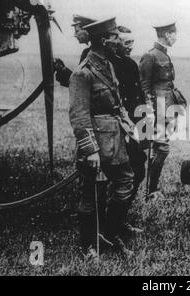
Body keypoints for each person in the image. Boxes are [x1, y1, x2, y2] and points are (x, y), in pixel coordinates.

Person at [68, 18, 137, 258]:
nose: (119, 40)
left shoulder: (109, 65)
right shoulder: (83, 73)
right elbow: (79, 115)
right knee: (90, 194)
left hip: (116, 139)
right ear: (103, 40)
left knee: (126, 182)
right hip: (97, 142)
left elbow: (116, 103)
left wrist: (128, 125)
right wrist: (91, 150)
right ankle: (89, 245)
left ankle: (109, 232)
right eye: (115, 36)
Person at [139, 21, 187, 200]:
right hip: (157, 109)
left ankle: (153, 188)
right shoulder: (150, 56)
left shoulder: (164, 55)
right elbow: (144, 86)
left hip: (166, 108)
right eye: (174, 34)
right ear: (167, 35)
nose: (176, 37)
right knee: (162, 148)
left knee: (160, 148)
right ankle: (151, 189)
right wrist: (150, 110)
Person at [109, 25, 147, 211]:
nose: (131, 46)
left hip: (131, 127)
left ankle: (119, 219)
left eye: (132, 42)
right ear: (116, 43)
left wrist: (144, 128)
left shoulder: (131, 64)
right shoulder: (108, 65)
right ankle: (111, 222)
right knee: (122, 175)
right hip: (115, 129)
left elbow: (138, 98)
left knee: (138, 169)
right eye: (127, 42)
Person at [54, 14, 96, 87]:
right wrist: (62, 69)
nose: (75, 34)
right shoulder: (88, 52)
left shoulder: (90, 53)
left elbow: (82, 84)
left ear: (87, 30)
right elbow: (79, 81)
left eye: (77, 31)